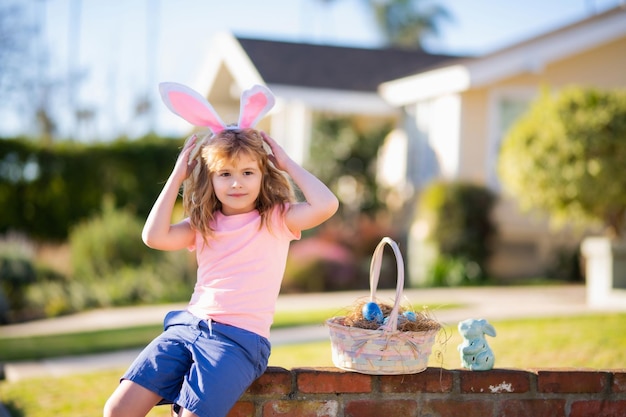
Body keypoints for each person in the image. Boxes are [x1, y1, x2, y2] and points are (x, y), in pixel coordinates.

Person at [103, 84, 339, 417]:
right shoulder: (203, 224)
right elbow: (153, 237)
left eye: (247, 173)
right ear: (211, 179)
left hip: (237, 342)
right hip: (187, 329)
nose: (236, 183)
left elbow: (327, 204)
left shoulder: (276, 218)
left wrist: (286, 163)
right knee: (116, 409)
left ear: (262, 175)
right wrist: (177, 176)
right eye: (224, 174)